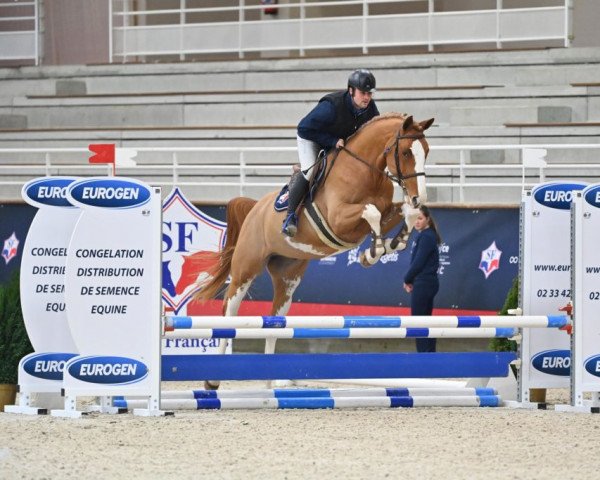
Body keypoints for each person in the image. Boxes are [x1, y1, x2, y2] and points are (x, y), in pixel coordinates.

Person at [282, 68, 380, 237]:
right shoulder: (331, 106)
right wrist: (332, 141)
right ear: (351, 90)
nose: (367, 98)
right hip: (311, 138)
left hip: (338, 141)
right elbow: (303, 128)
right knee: (310, 170)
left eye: (369, 94)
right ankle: (290, 217)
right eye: (363, 93)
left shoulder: (370, 108)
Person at [403, 205, 442, 353]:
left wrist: (407, 279)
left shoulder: (426, 236)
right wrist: (412, 280)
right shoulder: (426, 235)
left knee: (418, 322)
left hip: (425, 284)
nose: (417, 222)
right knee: (425, 321)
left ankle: (423, 356)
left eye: (420, 218)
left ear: (428, 219)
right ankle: (429, 355)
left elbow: (418, 263)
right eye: (415, 219)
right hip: (426, 283)